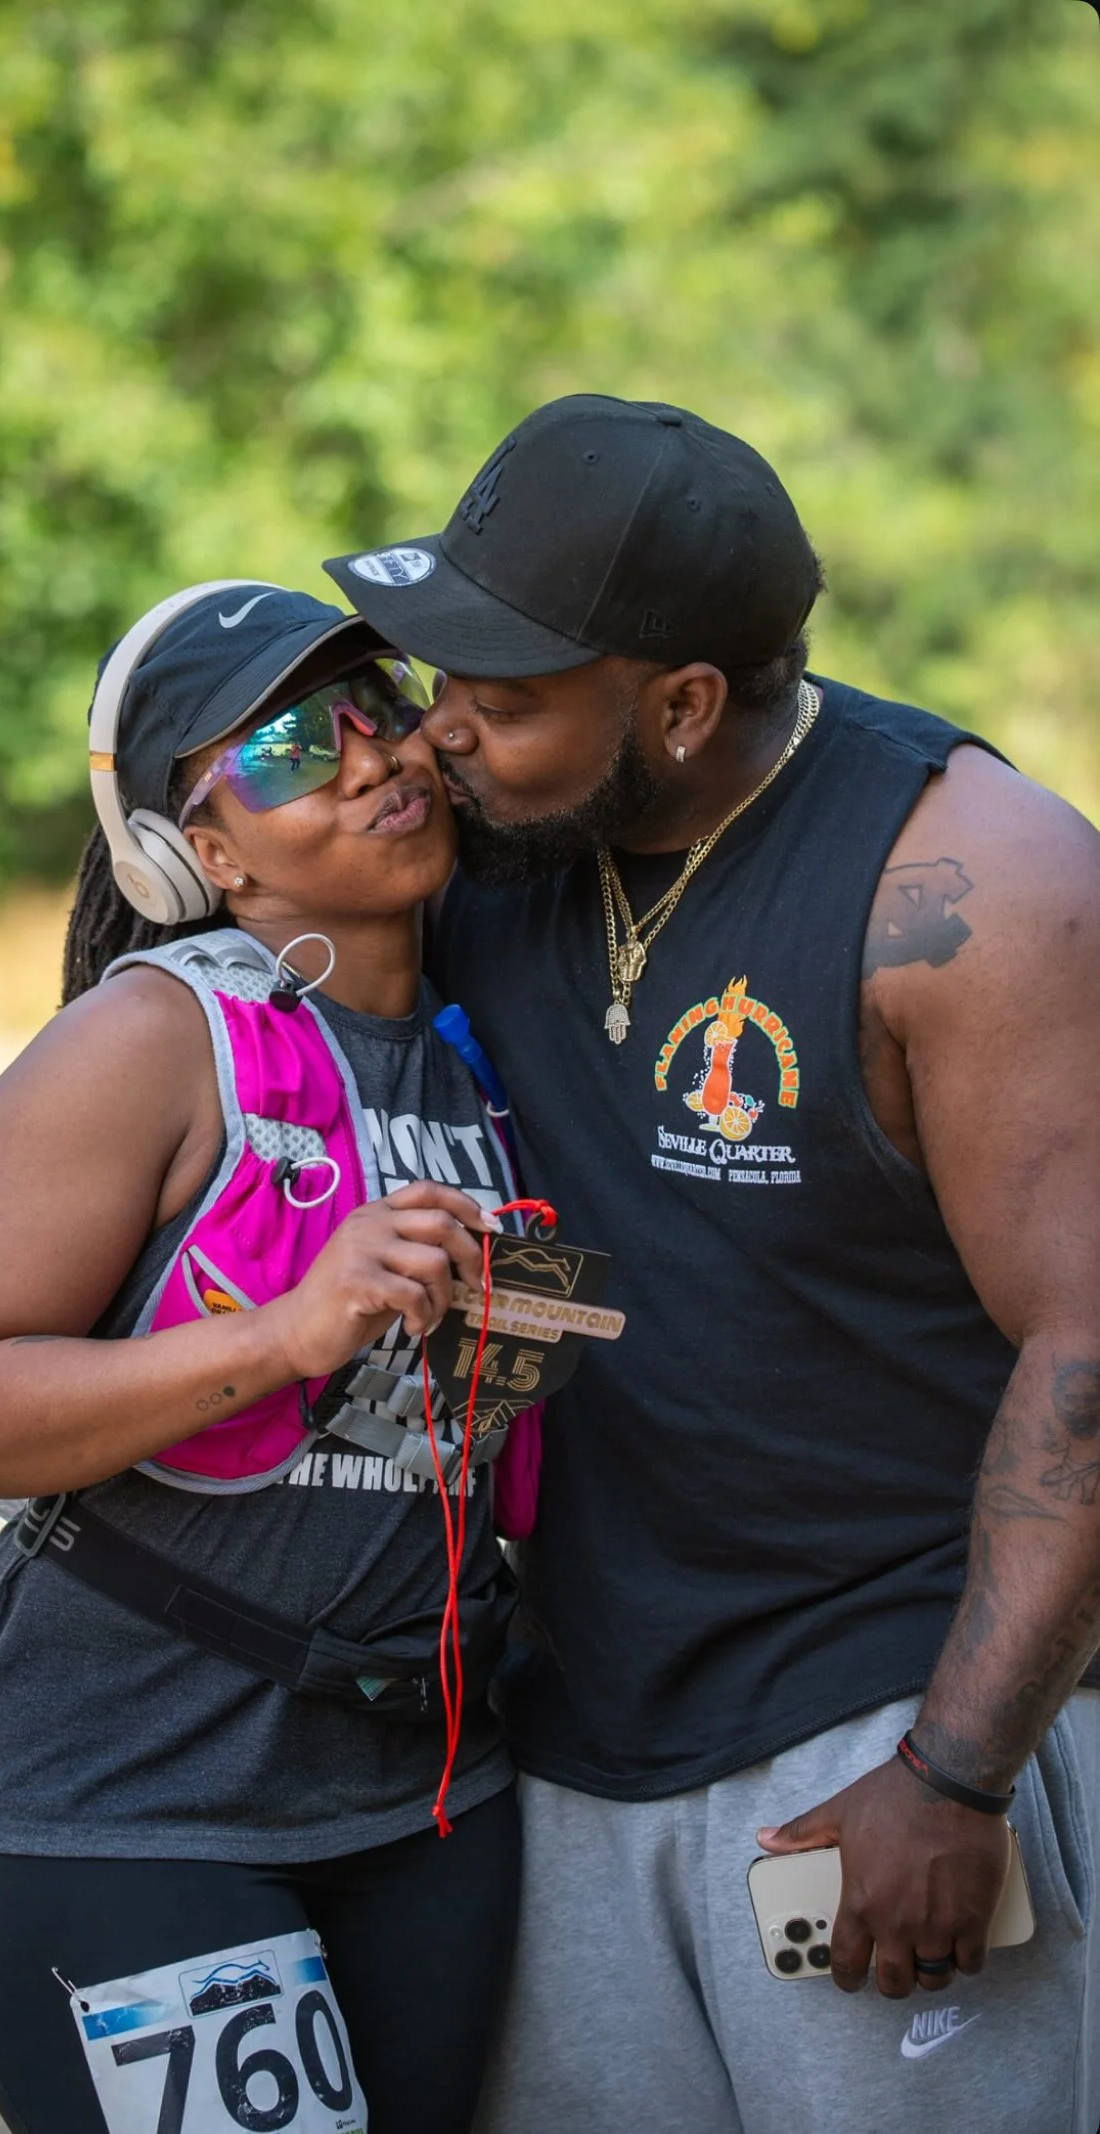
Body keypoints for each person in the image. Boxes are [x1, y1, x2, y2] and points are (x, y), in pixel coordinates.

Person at [325, 394, 1100, 2134]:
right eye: (438, 680)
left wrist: (954, 1775)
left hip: (876, 1725)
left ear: (678, 705)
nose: (439, 735)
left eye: (501, 700)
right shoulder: (497, 845)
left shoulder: (970, 883)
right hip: (568, 1725)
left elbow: (1086, 1349)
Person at [0, 582, 533, 2134]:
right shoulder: (159, 1040)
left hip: (424, 1796)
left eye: (380, 702)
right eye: (295, 742)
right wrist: (283, 1329)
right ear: (202, 847)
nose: (371, 751)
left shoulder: (487, 1049)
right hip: (123, 1804)